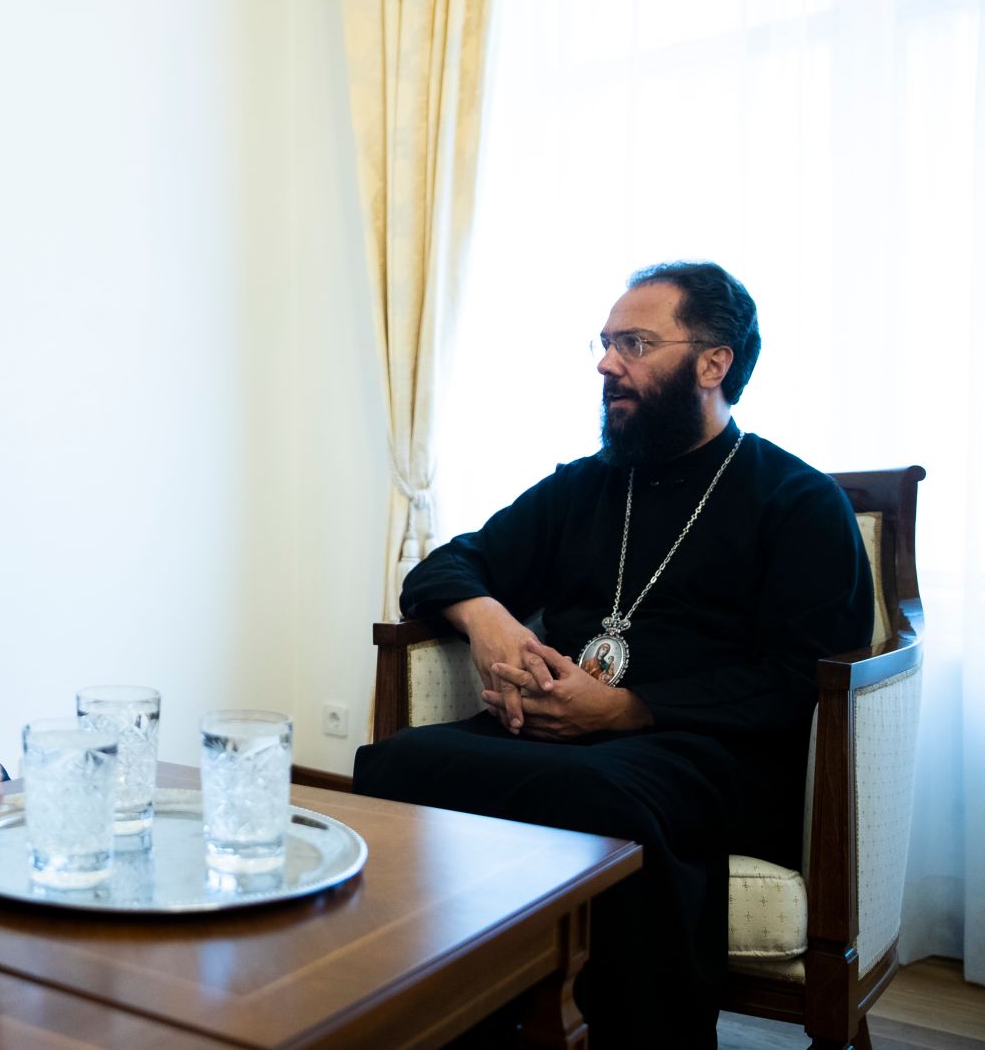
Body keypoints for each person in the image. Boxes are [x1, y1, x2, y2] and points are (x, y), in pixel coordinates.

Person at [352, 262, 873, 1048]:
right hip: (560, 739)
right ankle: (446, 1025)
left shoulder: (795, 500)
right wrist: (488, 618)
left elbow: (800, 676)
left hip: (707, 751)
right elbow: (442, 567)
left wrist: (628, 707)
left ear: (713, 361)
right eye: (604, 343)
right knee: (392, 765)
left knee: (602, 799)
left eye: (633, 343)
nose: (605, 363)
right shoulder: (585, 488)